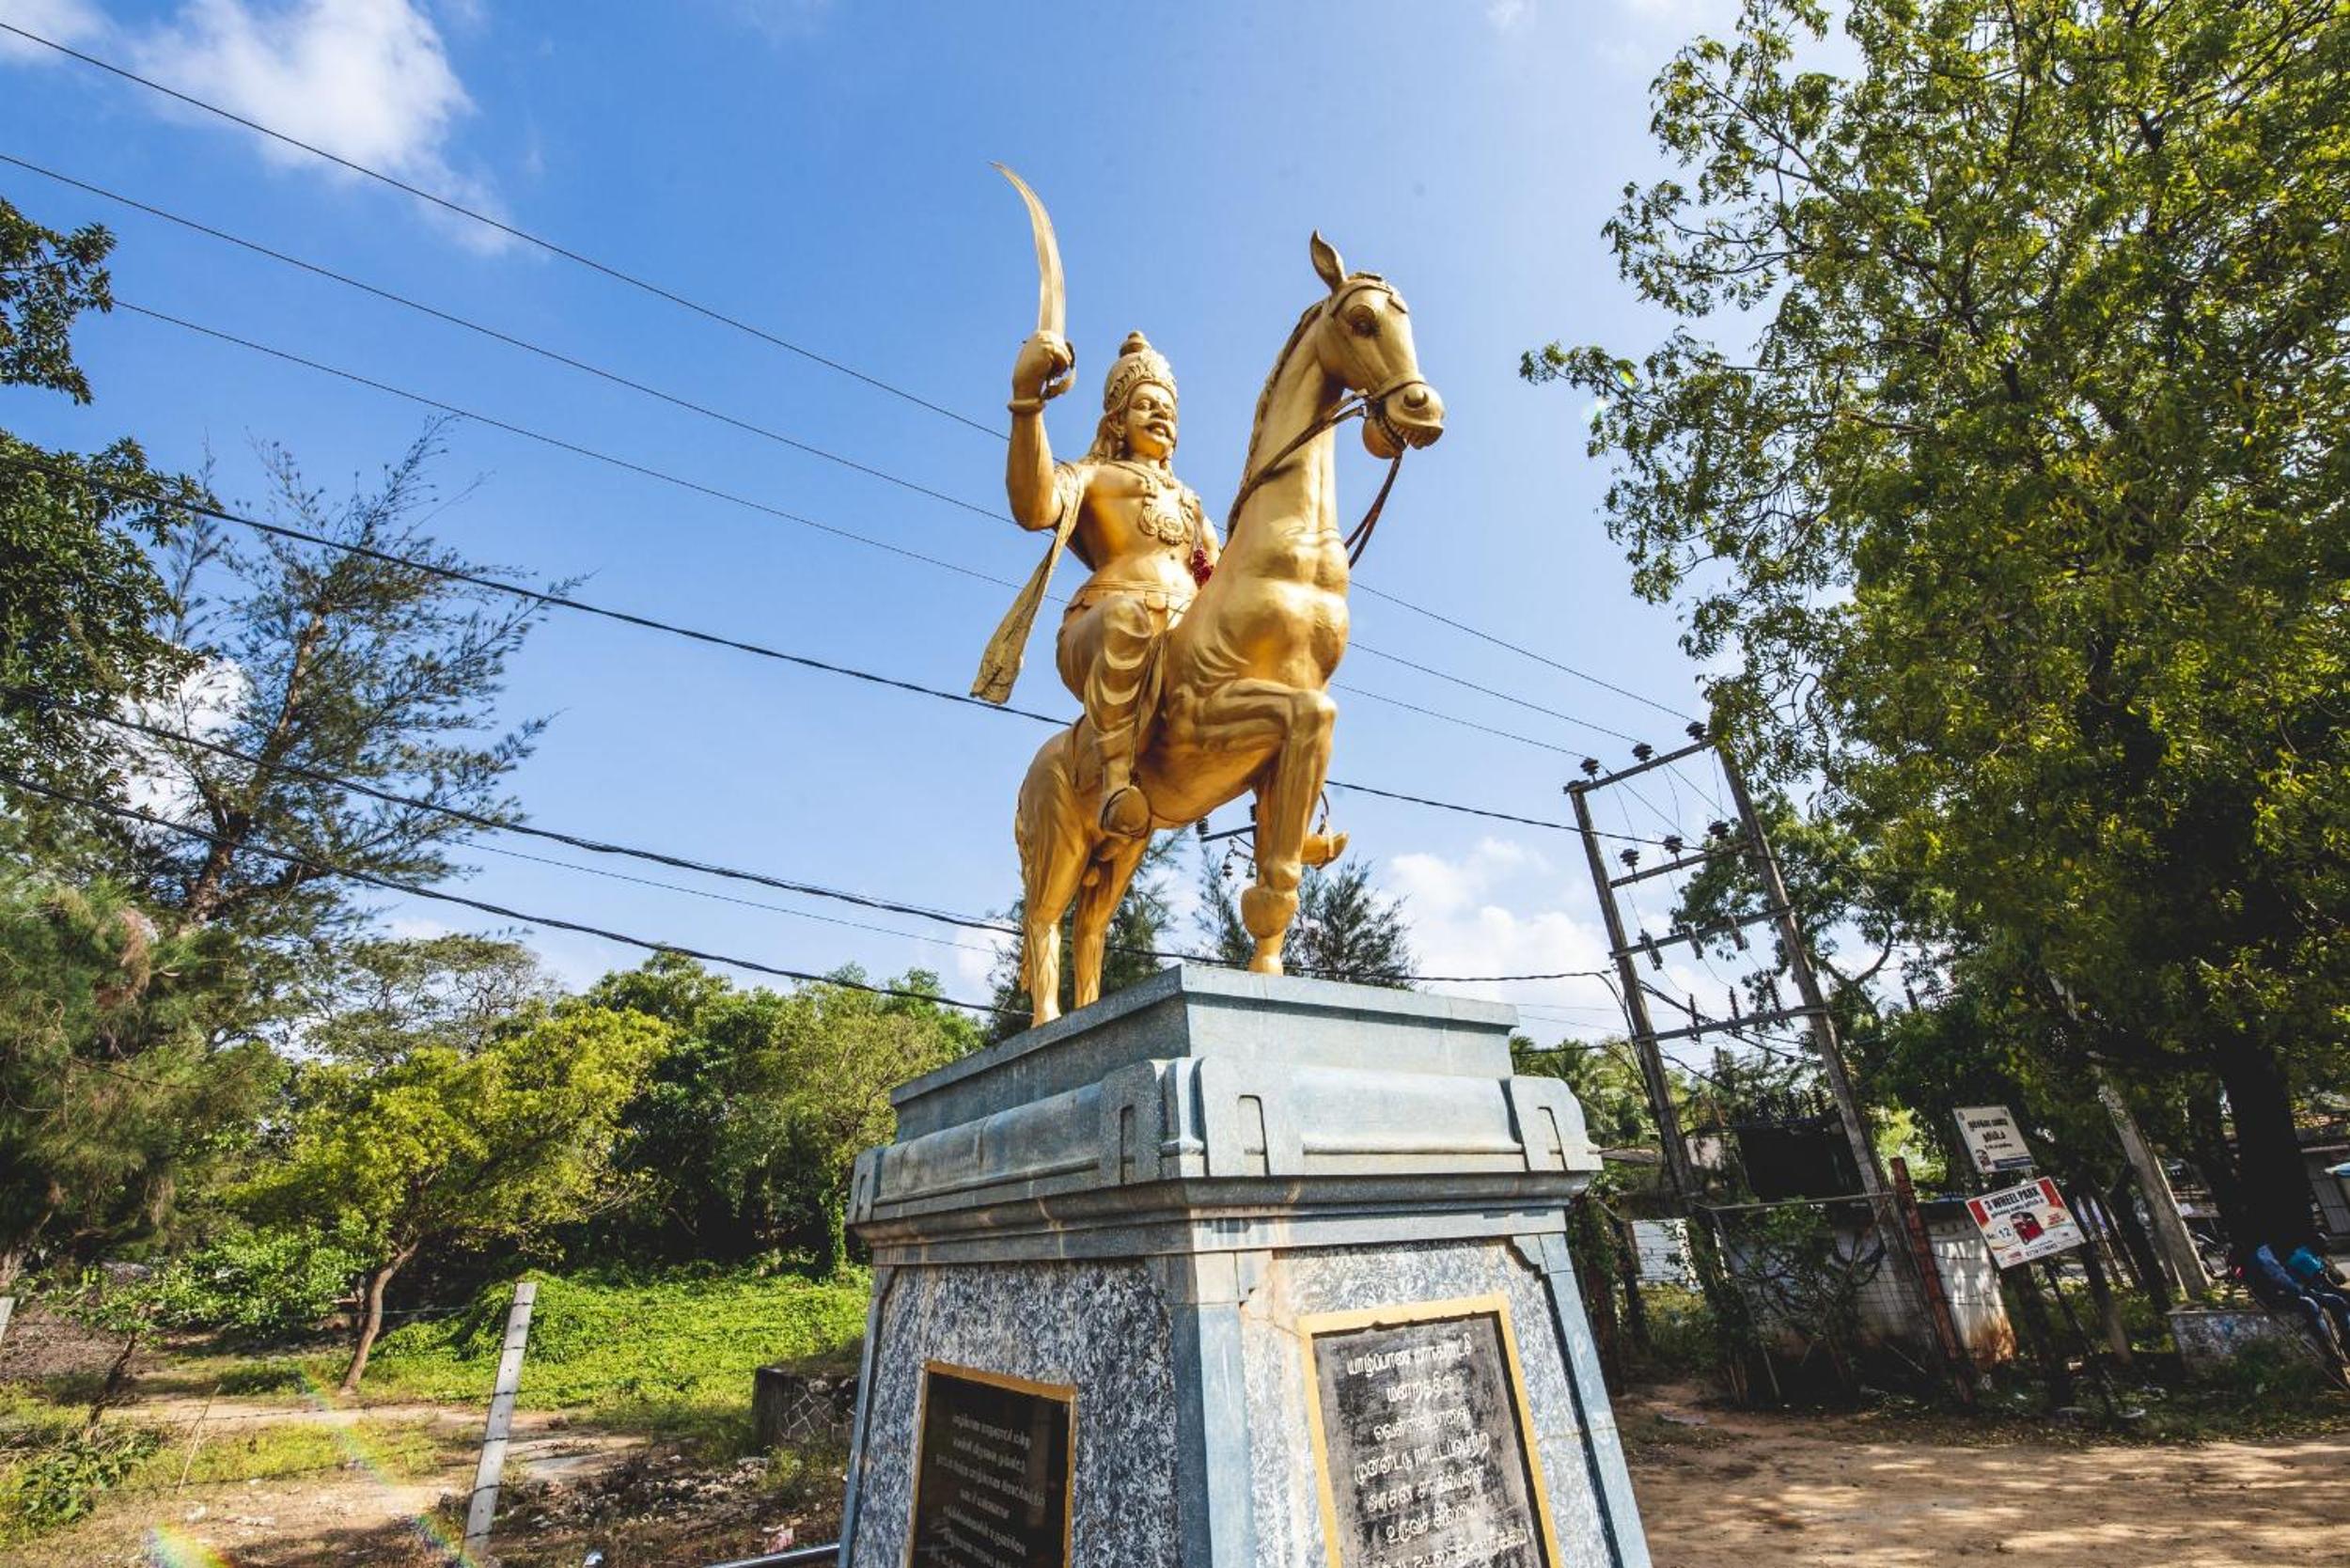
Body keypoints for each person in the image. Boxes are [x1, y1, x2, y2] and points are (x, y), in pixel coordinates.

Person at [992, 327, 1220, 837]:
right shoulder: (1093, 476)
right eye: (1145, 405)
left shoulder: (1192, 505)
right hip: (1100, 629)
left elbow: (1220, 577)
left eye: (1168, 409)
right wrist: (1028, 401)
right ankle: (1116, 780)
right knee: (1125, 618)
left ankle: (1287, 800)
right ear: (1117, 419)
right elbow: (1034, 507)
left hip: (1181, 641)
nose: (1160, 415)